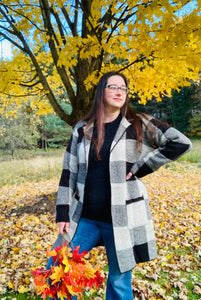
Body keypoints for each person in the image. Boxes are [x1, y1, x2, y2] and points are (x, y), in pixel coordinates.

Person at [47, 71, 192, 299]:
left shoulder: (138, 123)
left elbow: (180, 143)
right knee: (58, 268)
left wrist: (140, 168)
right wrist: (62, 212)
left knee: (118, 280)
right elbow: (68, 173)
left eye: (123, 88)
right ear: (100, 92)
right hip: (85, 216)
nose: (118, 91)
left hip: (123, 218)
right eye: (112, 86)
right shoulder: (82, 128)